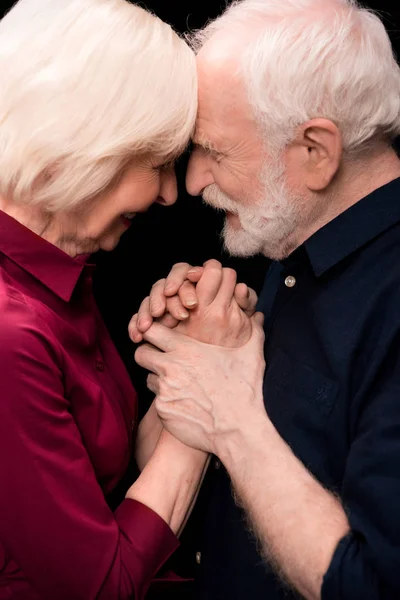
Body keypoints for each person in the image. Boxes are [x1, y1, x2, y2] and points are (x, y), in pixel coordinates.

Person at [130, 0, 400, 598]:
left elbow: (371, 584)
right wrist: (197, 353)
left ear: (315, 152)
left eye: (215, 152)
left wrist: (230, 415)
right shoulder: (291, 250)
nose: (192, 182)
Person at [0, 1, 257, 598]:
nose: (171, 193)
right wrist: (209, 389)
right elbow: (103, 587)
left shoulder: (59, 276)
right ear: (87, 146)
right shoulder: (11, 332)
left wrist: (185, 351)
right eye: (159, 163)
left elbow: (118, 477)